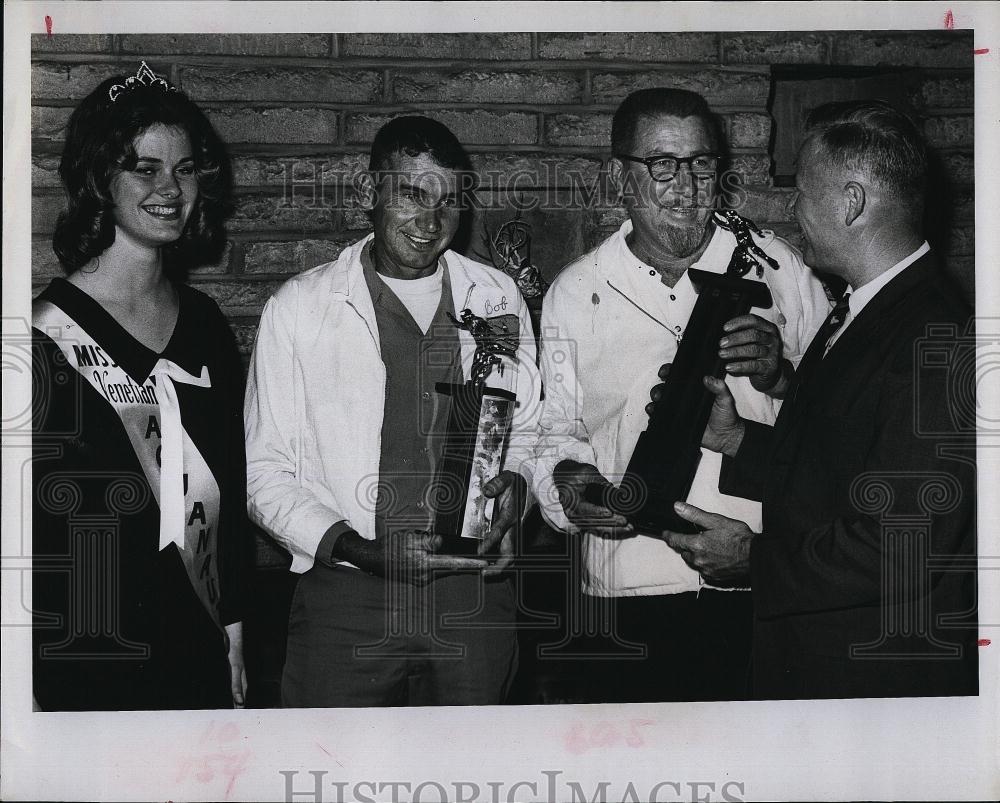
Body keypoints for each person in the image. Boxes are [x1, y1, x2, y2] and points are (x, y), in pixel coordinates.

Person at [662, 100, 977, 699]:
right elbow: (842, 468)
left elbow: (902, 541)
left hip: (875, 678)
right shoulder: (865, 309)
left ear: (851, 203)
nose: (790, 208)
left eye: (803, 191)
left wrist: (753, 559)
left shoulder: (938, 338)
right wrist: (735, 439)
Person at [531, 88, 830, 702]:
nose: (686, 186)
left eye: (701, 164)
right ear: (621, 178)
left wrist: (781, 375)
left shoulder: (779, 269)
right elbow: (553, 431)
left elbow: (843, 417)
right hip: (627, 590)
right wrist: (572, 489)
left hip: (763, 584)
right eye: (662, 165)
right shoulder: (574, 291)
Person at [244, 116, 541, 707]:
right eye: (411, 194)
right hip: (346, 594)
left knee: (474, 775)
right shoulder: (300, 308)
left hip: (472, 593)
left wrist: (521, 485)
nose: (430, 223)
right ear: (367, 194)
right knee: (332, 774)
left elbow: (531, 426)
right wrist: (359, 549)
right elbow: (263, 472)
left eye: (449, 202)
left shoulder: (498, 296)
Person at [32, 62, 250, 710]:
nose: (170, 189)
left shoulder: (206, 325)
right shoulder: (41, 338)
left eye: (184, 169)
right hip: (83, 661)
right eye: (145, 168)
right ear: (102, 178)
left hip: (195, 651)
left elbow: (228, 496)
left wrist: (235, 633)